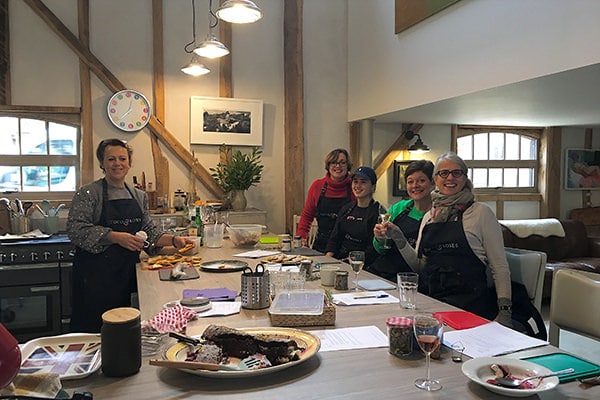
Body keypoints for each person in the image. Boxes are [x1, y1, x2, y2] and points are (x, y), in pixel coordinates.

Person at [67, 139, 194, 333]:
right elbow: (75, 230)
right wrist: (115, 237)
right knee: (93, 331)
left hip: (125, 274)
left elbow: (149, 231)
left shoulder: (138, 195)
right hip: (94, 277)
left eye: (122, 158)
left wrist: (174, 240)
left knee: (122, 331)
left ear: (129, 163)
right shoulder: (88, 193)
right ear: (102, 163)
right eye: (111, 159)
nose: (117, 163)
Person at [383, 152, 514, 327]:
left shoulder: (481, 213)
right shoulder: (430, 217)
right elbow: (420, 266)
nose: (450, 178)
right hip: (434, 304)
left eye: (456, 173)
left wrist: (504, 312)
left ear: (465, 178)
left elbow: (499, 266)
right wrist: (399, 239)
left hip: (470, 306)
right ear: (435, 179)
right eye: (443, 173)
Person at [368, 160, 434, 281]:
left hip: (410, 279)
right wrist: (379, 238)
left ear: (432, 183)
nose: (415, 185)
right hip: (383, 272)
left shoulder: (437, 214)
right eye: (410, 182)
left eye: (421, 180)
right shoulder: (398, 208)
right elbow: (380, 249)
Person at [296, 149, 355, 253]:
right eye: (333, 162)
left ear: (348, 165)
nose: (338, 166)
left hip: (346, 247)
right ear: (328, 165)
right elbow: (307, 215)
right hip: (321, 245)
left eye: (342, 162)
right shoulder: (317, 186)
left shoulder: (354, 187)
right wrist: (301, 238)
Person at [325, 166, 381, 268]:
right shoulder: (346, 209)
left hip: (364, 267)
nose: (358, 186)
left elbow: (373, 250)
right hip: (339, 262)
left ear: (373, 187)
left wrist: (350, 262)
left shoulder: (378, 213)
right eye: (355, 181)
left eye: (363, 182)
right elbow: (334, 239)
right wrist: (327, 261)